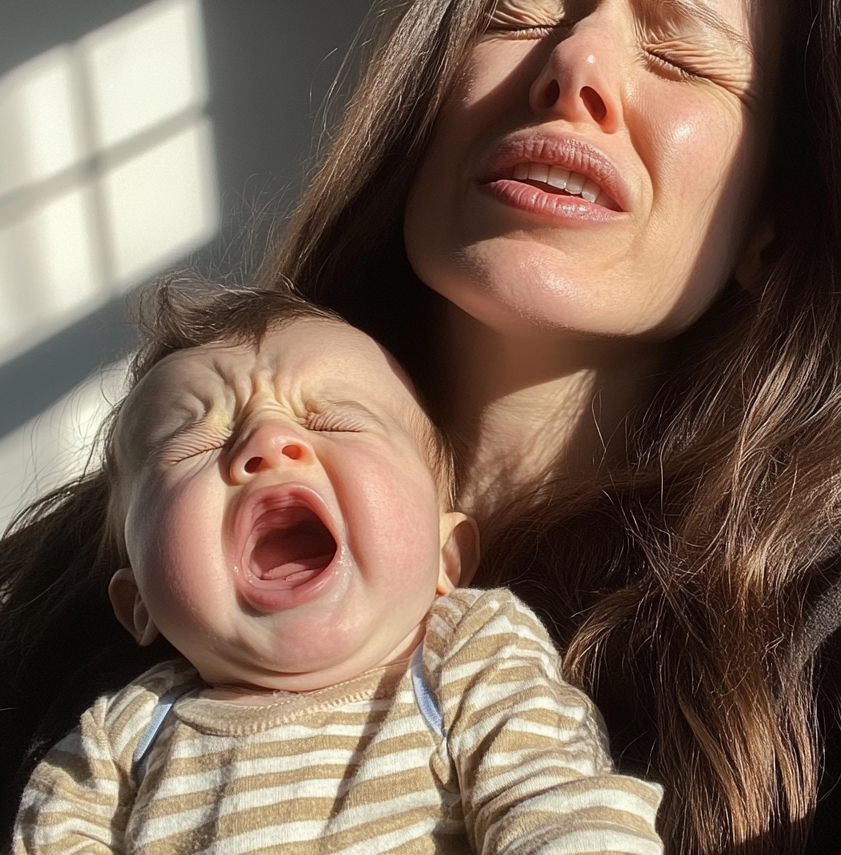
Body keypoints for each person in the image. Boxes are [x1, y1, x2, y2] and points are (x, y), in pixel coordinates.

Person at [2, 0, 841, 852]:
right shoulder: (81, 586)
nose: (575, 64)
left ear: (772, 224)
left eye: (677, 51)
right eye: (518, 9)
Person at [11, 281, 664, 855]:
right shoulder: (121, 737)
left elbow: (558, 805)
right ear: (138, 604)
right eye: (197, 440)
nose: (267, 443)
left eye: (335, 421)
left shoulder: (466, 655)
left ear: (446, 557)